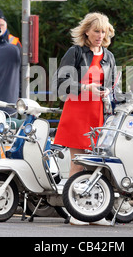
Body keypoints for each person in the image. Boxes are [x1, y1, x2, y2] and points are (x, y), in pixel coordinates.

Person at [52, 12, 117, 226]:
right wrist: (85, 88)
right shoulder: (75, 52)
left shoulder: (109, 56)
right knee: (77, 164)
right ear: (86, 32)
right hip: (77, 113)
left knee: (98, 166)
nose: (100, 35)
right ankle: (75, 212)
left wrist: (108, 92)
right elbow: (61, 84)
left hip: (98, 114)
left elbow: (112, 87)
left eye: (104, 31)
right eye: (96, 31)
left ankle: (94, 213)